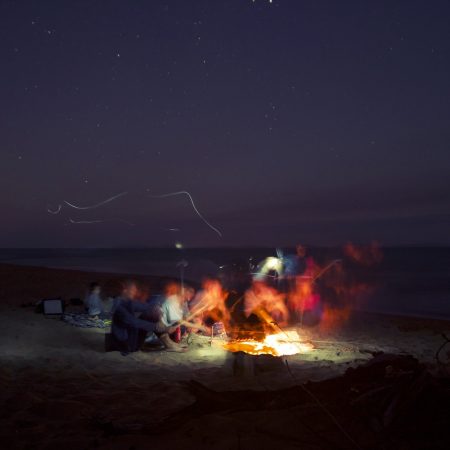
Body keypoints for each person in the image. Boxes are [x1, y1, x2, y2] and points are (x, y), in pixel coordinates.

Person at [111, 280, 177, 354]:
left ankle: (169, 343)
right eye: (132, 290)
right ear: (125, 290)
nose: (135, 292)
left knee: (151, 312)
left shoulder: (128, 302)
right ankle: (169, 344)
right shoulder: (118, 306)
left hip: (132, 337)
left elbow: (149, 306)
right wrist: (162, 328)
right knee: (148, 316)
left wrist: (159, 315)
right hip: (126, 344)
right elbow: (134, 322)